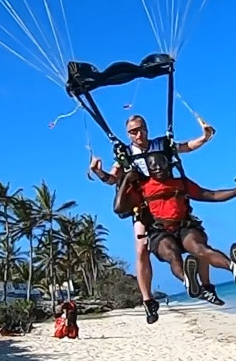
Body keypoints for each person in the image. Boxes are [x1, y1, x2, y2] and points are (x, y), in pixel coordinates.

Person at [89, 112, 215, 320]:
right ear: (128, 134)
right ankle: (148, 299)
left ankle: (199, 281)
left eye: (140, 129)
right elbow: (112, 179)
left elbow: (185, 147)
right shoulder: (125, 154)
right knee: (141, 250)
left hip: (167, 199)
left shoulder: (162, 144)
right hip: (143, 205)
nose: (137, 134)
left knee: (194, 238)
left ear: (146, 128)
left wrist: (204, 137)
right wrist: (98, 172)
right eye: (132, 132)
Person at [121, 165, 236, 310]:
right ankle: (188, 280)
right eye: (154, 167)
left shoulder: (181, 183)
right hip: (159, 232)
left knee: (199, 248)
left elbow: (212, 195)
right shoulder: (141, 188)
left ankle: (234, 268)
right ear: (149, 170)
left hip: (185, 226)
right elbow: (118, 208)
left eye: (162, 165)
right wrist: (126, 180)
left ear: (169, 166)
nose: (159, 169)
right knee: (172, 255)